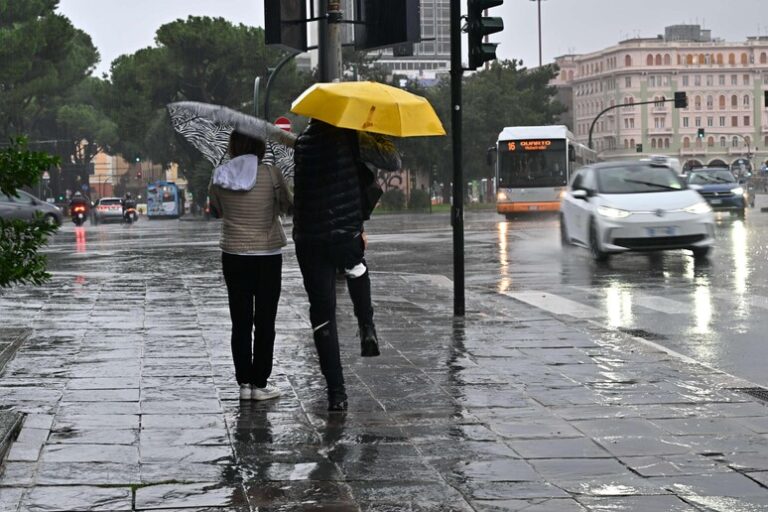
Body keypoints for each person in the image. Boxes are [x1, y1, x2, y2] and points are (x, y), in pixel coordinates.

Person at [292, 119, 399, 412]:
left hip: (309, 238)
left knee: (322, 314)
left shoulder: (302, 143)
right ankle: (366, 323)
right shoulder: (353, 137)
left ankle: (336, 393)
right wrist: (373, 130)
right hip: (346, 233)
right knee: (356, 267)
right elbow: (392, 161)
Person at [208, 131, 292, 401]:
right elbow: (287, 206)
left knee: (240, 320)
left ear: (232, 146)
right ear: (260, 146)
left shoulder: (220, 175)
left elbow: (216, 210)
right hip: (267, 255)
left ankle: (243, 383)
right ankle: (260, 383)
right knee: (265, 320)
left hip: (233, 254)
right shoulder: (272, 174)